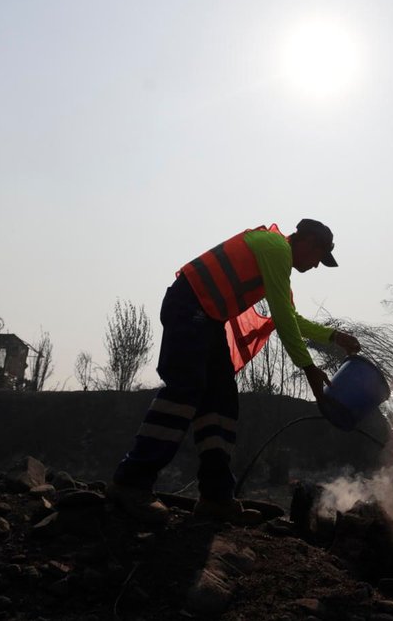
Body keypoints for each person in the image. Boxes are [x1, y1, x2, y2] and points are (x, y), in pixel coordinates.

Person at [107, 218, 361, 525]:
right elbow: (283, 319)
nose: (317, 266)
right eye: (319, 258)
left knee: (222, 403)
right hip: (189, 307)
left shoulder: (275, 255)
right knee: (185, 390)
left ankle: (216, 498)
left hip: (206, 317)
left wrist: (333, 337)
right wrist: (308, 369)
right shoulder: (276, 249)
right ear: (308, 243)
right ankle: (131, 482)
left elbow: (290, 317)